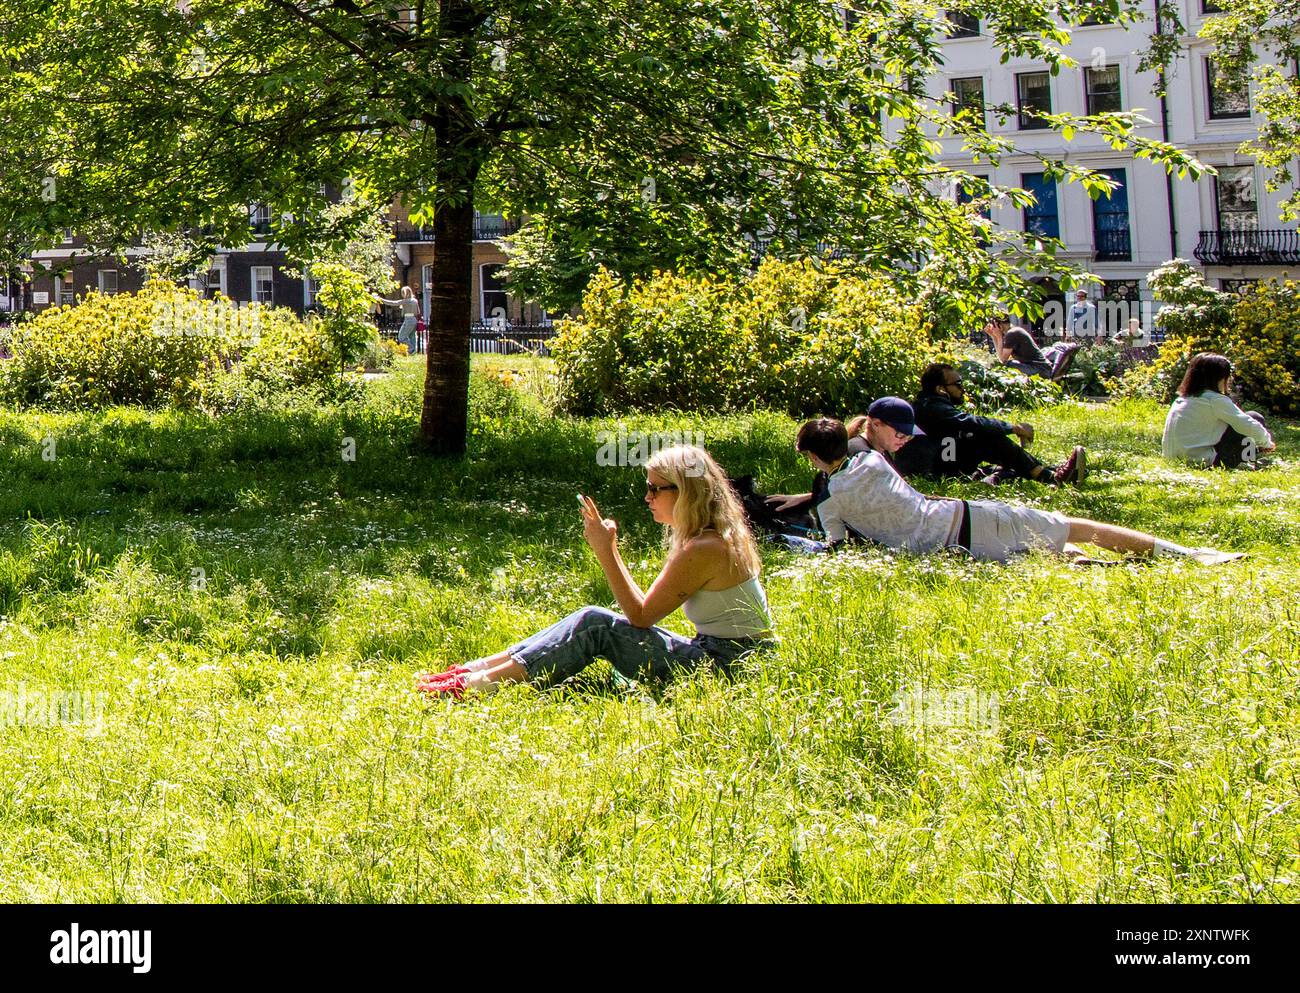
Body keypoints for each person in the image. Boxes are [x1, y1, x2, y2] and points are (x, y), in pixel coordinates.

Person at [417, 445, 774, 699]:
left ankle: (476, 685)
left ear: (687, 491)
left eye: (654, 488)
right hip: (726, 656)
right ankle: (472, 671)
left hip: (727, 667)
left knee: (596, 624)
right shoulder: (708, 539)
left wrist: (606, 551)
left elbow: (640, 616)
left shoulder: (705, 548)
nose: (647, 498)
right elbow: (645, 611)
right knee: (588, 617)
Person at [794, 403, 1245, 565]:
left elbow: (837, 542)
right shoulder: (872, 461)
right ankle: (1190, 555)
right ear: (862, 429)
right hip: (962, 521)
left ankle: (1099, 563)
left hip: (954, 551)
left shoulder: (832, 499)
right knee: (1072, 526)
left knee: (1047, 548)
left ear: (813, 458)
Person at [912, 362, 1085, 485]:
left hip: (940, 462)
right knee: (986, 437)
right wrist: (1012, 428)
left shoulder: (930, 404)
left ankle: (1048, 470)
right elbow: (972, 422)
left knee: (993, 451)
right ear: (941, 389)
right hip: (934, 472)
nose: (963, 389)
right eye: (958, 384)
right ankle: (1050, 477)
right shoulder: (930, 407)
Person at [1162, 353, 1274, 469]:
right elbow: (1248, 424)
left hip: (1173, 459)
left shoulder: (1182, 399)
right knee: (1254, 417)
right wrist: (1267, 443)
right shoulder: (1214, 400)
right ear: (1218, 378)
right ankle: (1251, 461)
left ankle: (1253, 457)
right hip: (1201, 462)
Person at [985, 314, 1079, 379]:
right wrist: (994, 336)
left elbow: (1003, 359)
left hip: (1040, 370)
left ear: (999, 325)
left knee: (1005, 365)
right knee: (1003, 364)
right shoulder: (1013, 332)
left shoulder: (1012, 334)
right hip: (1040, 368)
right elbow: (1001, 356)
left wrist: (998, 337)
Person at [375, 286, 422, 353]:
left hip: (408, 319)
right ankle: (413, 351)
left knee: (401, 337)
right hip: (414, 319)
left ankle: (411, 349)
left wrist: (381, 300)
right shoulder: (415, 301)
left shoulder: (405, 301)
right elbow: (418, 312)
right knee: (412, 336)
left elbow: (393, 303)